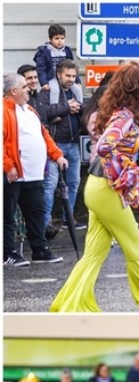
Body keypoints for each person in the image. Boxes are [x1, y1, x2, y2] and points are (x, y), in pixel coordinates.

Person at [50, 63, 139, 312]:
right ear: (137, 90)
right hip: (107, 189)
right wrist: (125, 171)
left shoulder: (119, 112)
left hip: (97, 186)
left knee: (94, 254)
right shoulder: (125, 116)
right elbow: (105, 146)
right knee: (135, 249)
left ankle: (70, 305)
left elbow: (105, 147)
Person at [4, 72, 67, 267]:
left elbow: (44, 135)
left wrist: (57, 155)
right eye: (24, 87)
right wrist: (8, 166)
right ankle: (8, 253)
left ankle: (40, 249)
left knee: (36, 214)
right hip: (13, 175)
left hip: (33, 174)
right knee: (7, 216)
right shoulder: (4, 111)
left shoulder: (30, 109)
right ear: (13, 91)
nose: (28, 89)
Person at [35, 59, 83, 232]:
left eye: (73, 76)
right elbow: (43, 114)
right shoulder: (47, 91)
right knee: (51, 185)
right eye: (67, 76)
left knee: (74, 182)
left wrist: (79, 109)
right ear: (58, 74)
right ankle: (46, 223)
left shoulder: (76, 91)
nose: (71, 79)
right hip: (55, 145)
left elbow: (83, 113)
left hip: (74, 143)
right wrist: (66, 108)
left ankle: (67, 219)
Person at [33, 24, 81, 99]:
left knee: (78, 90)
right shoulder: (44, 52)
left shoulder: (67, 50)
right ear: (50, 39)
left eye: (62, 38)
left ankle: (79, 107)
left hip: (65, 77)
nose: (60, 41)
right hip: (52, 77)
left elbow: (73, 68)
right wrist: (44, 83)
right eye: (56, 38)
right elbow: (41, 69)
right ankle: (54, 107)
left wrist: (78, 81)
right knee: (55, 90)